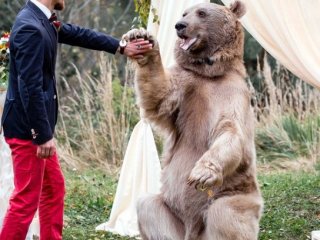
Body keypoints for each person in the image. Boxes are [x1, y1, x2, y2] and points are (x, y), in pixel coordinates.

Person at [0, 0, 152, 239]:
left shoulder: (42, 20)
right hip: (27, 129)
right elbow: (29, 87)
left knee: (52, 189)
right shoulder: (30, 27)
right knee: (26, 200)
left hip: (38, 129)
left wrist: (121, 47)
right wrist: (42, 136)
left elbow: (79, 34)